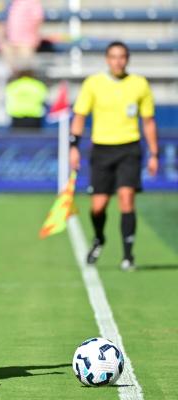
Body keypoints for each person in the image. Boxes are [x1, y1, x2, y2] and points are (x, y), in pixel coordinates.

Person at [69, 41, 159, 271]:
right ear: (107, 59)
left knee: (126, 199)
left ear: (127, 59)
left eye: (122, 57)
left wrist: (154, 153)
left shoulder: (139, 84)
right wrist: (74, 146)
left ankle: (128, 256)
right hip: (102, 149)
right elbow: (79, 116)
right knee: (98, 207)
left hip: (129, 148)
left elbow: (148, 121)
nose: (118, 61)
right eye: (113, 57)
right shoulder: (94, 83)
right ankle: (99, 237)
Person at [0, 0, 44, 70]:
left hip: (26, 42)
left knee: (25, 68)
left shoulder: (32, 2)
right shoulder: (10, 3)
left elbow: (37, 20)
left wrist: (32, 39)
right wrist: (2, 41)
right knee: (13, 70)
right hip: (11, 42)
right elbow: (2, 23)